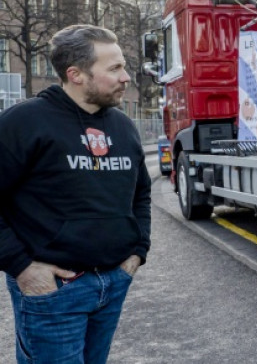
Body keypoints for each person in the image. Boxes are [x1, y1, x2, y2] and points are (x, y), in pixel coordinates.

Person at [0, 24, 152, 364]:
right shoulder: (23, 123)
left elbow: (141, 193)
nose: (126, 77)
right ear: (76, 75)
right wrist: (21, 266)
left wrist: (137, 252)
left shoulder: (123, 126)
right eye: (114, 68)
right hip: (53, 292)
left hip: (112, 284)